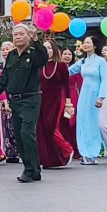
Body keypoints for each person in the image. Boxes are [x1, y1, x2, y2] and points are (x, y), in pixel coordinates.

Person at [0, 23, 48, 182]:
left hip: (30, 99)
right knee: (19, 136)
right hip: (15, 100)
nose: (17, 37)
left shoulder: (33, 52)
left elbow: (43, 59)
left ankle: (29, 169)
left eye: (21, 34)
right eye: (15, 34)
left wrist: (36, 39)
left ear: (27, 36)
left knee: (27, 133)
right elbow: (5, 77)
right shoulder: (11, 55)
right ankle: (34, 170)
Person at [66, 35, 107, 164]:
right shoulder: (82, 62)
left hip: (100, 96)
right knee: (86, 124)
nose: (85, 44)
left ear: (94, 46)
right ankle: (90, 154)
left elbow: (104, 80)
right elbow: (67, 72)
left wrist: (100, 97)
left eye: (88, 42)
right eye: (84, 43)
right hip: (85, 96)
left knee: (102, 124)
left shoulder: (100, 61)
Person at [36, 39, 76, 168]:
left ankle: (66, 150)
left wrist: (68, 103)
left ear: (54, 50)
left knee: (51, 127)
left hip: (57, 99)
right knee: (42, 130)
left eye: (49, 48)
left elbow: (66, 85)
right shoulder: (39, 65)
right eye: (45, 48)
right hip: (41, 99)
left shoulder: (61, 65)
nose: (47, 50)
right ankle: (50, 159)